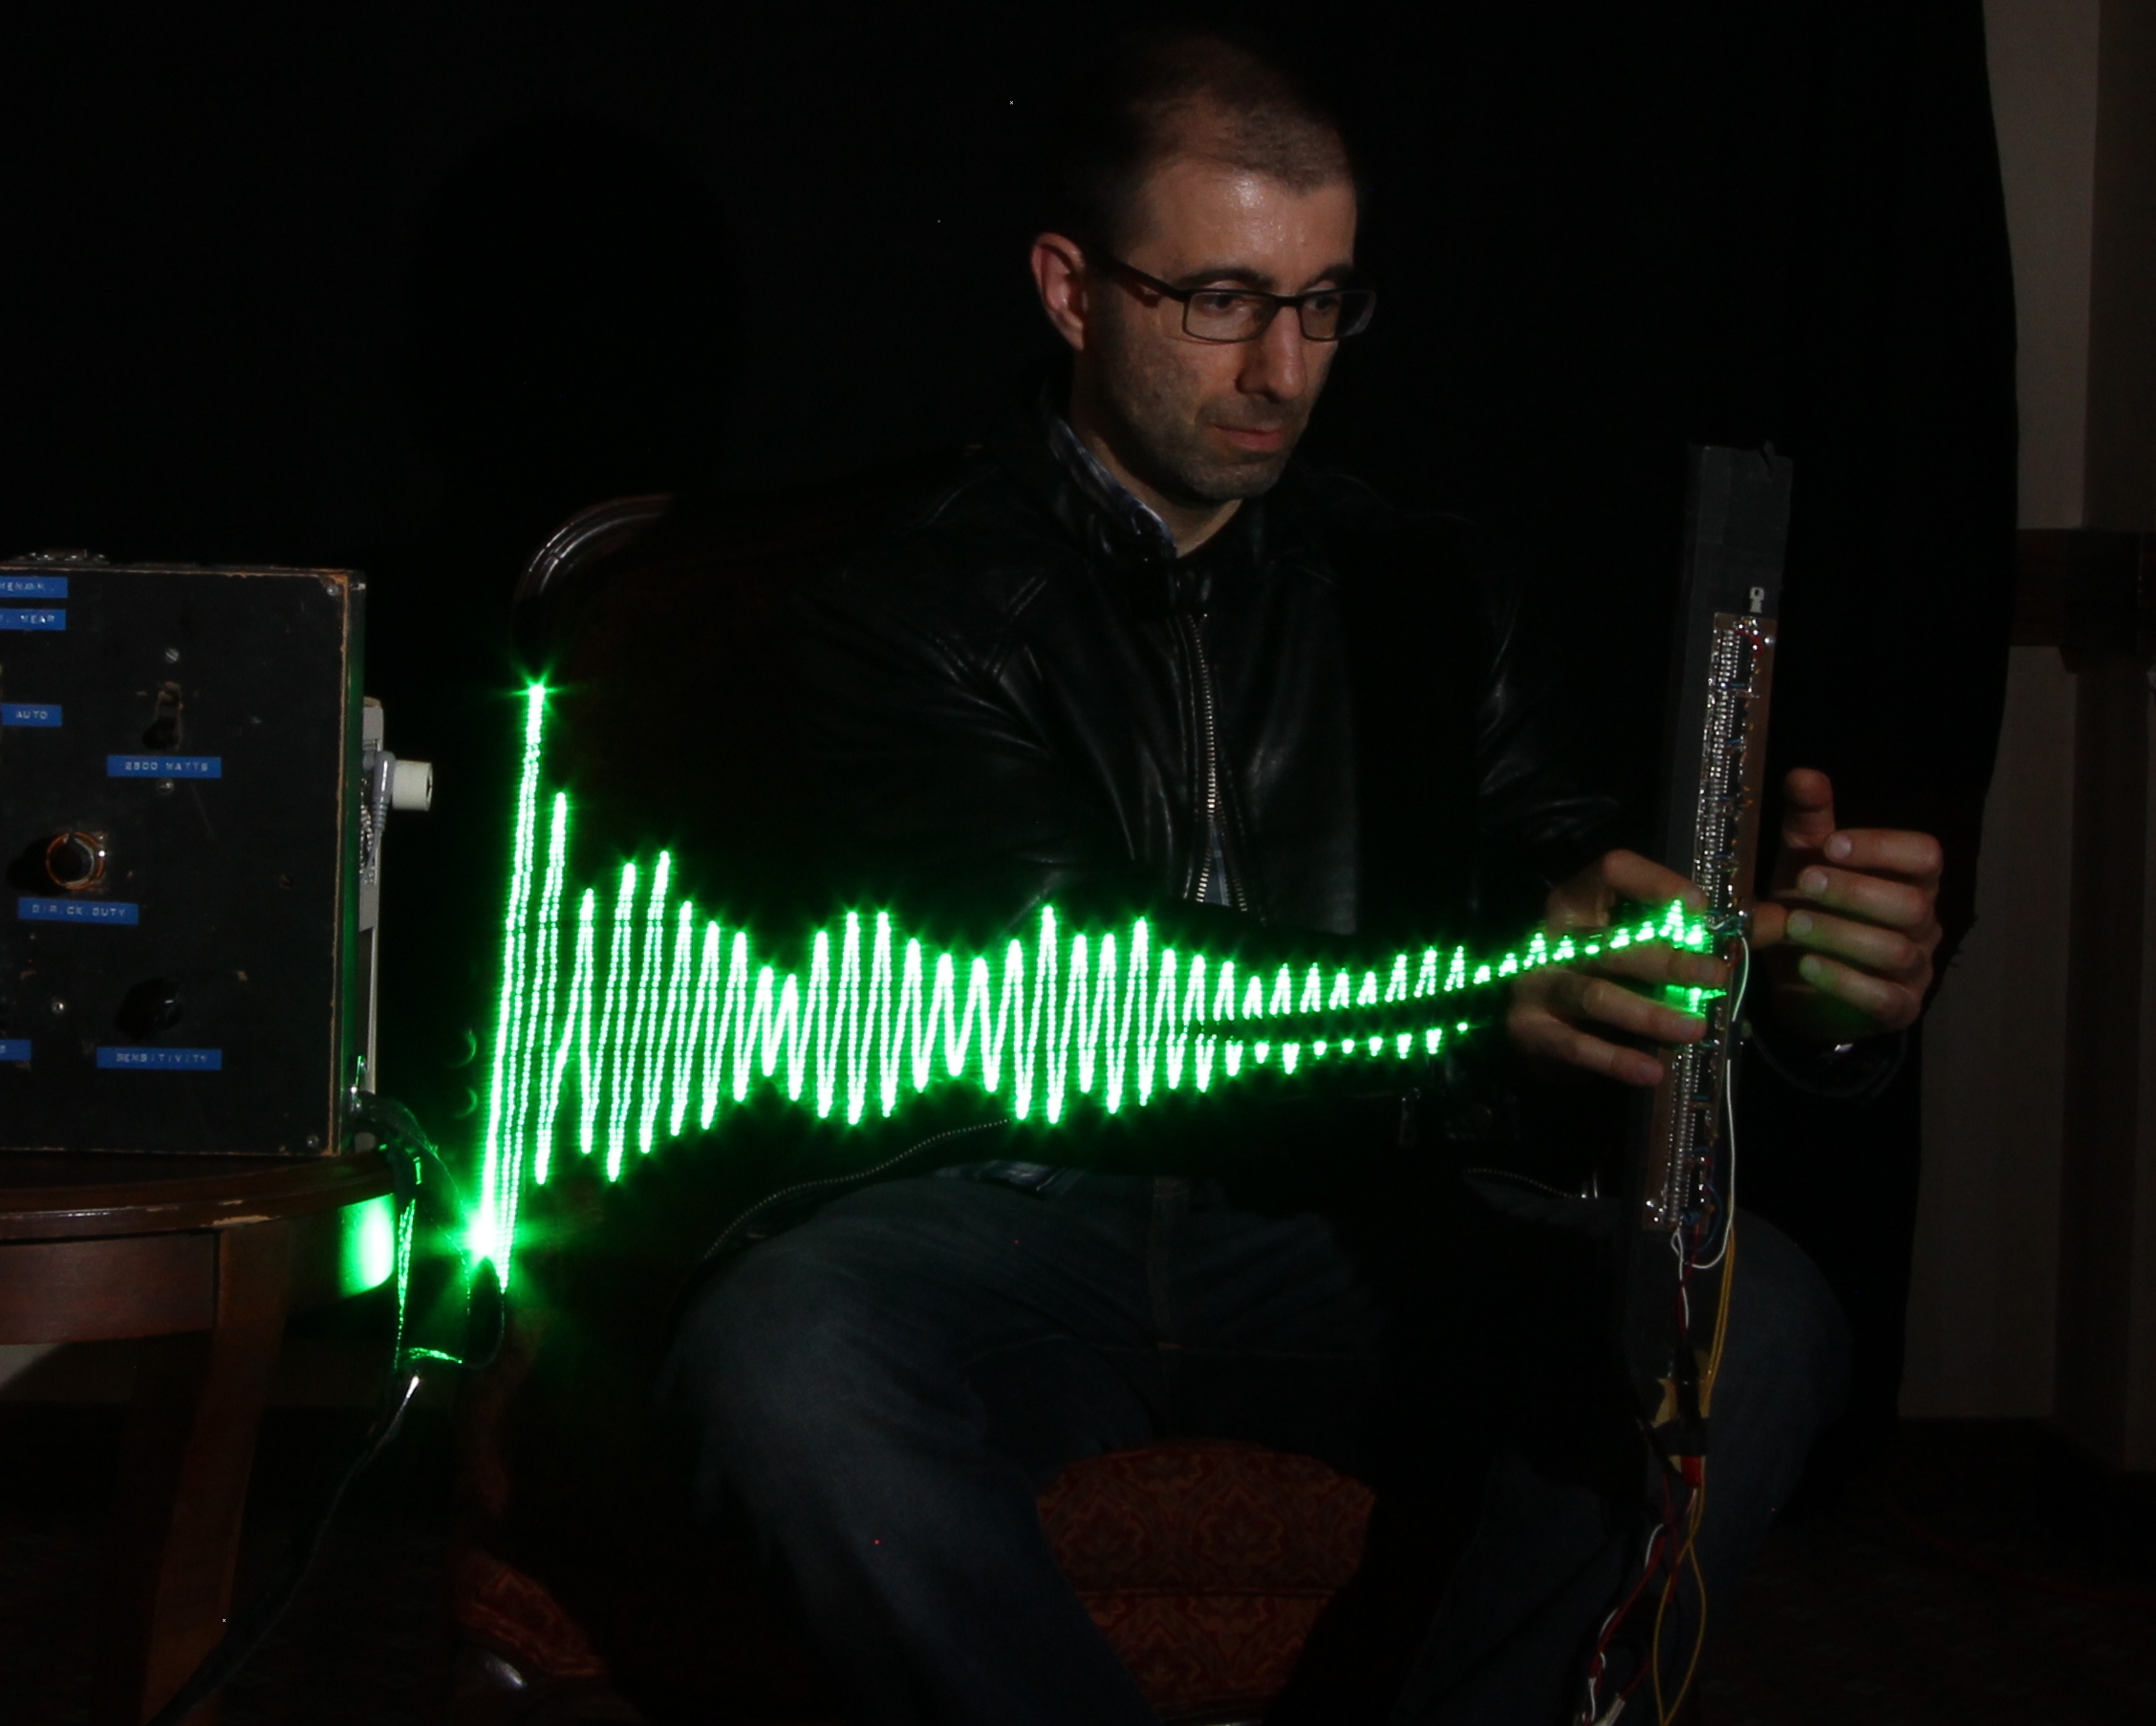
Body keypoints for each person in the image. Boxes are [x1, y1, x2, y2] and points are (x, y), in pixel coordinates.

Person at [660, 30, 1945, 1726]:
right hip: (1005, 1220)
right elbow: (1071, 969)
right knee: (777, 1353)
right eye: (1220, 299)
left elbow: (1564, 888)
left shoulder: (1426, 587)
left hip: (1361, 1225)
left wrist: (1781, 979)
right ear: (1068, 290)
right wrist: (1475, 998)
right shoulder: (911, 605)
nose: (1281, 366)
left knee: (1757, 1315)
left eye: (1321, 302)